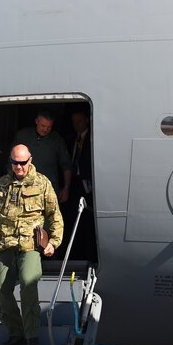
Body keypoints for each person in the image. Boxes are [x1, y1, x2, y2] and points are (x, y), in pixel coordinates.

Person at [0, 144, 64, 345]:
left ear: (30, 160)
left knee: (29, 286)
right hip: (5, 244)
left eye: (22, 163)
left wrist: (53, 242)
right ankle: (16, 334)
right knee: (2, 290)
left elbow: (54, 215)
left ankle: (31, 338)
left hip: (30, 246)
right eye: (15, 163)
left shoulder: (42, 183)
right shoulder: (3, 184)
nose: (19, 167)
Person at [13, 111, 72, 203]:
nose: (45, 130)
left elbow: (66, 166)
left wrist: (66, 189)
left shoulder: (56, 139)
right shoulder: (23, 136)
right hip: (25, 190)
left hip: (49, 191)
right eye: (43, 126)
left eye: (49, 127)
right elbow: (11, 162)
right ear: (36, 121)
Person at [63, 109, 97, 261]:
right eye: (74, 122)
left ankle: (90, 256)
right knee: (72, 218)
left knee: (88, 222)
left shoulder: (93, 138)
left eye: (80, 121)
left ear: (87, 120)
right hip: (74, 184)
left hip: (89, 186)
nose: (77, 125)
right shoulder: (71, 140)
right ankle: (75, 255)